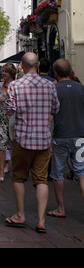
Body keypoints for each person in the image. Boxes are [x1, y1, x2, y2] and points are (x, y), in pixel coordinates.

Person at [5, 52, 60, 233]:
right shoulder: (49, 85)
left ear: (21, 65)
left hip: (22, 139)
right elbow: (56, 108)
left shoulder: (15, 85)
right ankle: (41, 221)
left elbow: (10, 110)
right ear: (37, 65)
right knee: (41, 180)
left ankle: (20, 214)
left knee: (19, 177)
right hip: (43, 140)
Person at [47, 59, 84, 218]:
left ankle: (60, 208)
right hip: (79, 136)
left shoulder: (53, 90)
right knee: (82, 172)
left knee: (58, 174)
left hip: (60, 136)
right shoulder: (81, 88)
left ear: (55, 73)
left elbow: (49, 117)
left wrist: (47, 138)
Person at [0, 63, 17, 181]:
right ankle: (1, 171)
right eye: (3, 71)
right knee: (0, 144)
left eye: (6, 71)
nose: (3, 73)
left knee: (14, 145)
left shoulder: (17, 86)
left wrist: (5, 99)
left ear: (11, 73)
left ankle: (15, 168)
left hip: (13, 120)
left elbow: (20, 101)